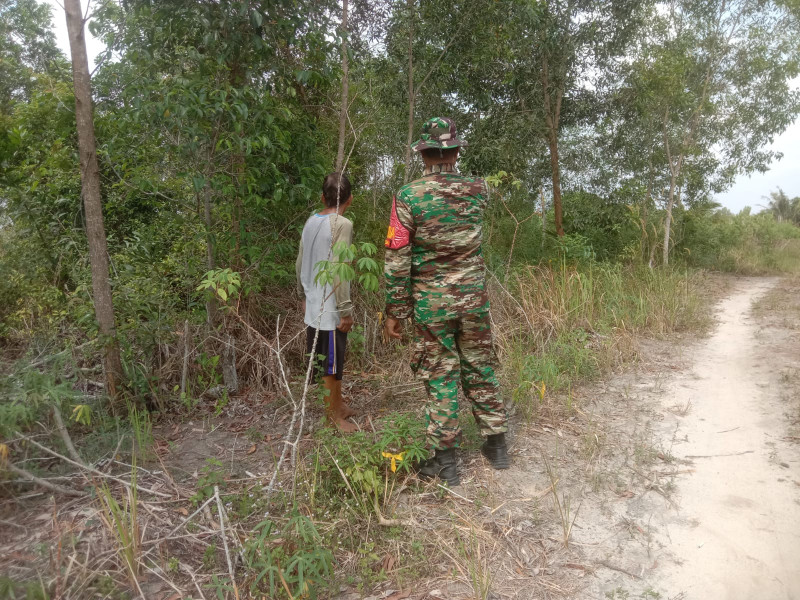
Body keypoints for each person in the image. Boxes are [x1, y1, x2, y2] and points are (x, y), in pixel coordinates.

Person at [383, 117, 510, 486]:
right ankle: (497, 445)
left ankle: (446, 462)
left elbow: (396, 258)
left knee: (440, 374)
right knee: (480, 365)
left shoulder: (408, 196)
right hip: (473, 299)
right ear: (455, 150)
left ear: (423, 155)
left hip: (431, 303)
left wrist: (396, 311)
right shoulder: (478, 189)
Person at [296, 172, 358, 433]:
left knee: (330, 360)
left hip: (313, 301)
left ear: (322, 197)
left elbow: (299, 261)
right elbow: (339, 267)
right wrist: (345, 309)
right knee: (330, 364)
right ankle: (332, 417)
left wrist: (303, 294)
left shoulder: (311, 221)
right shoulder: (342, 223)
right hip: (330, 306)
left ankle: (338, 405)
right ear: (350, 199)